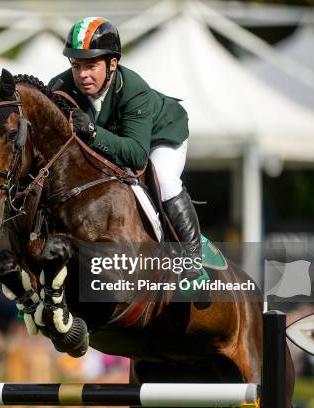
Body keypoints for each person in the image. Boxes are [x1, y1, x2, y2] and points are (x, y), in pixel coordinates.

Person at [48, 17, 203, 283]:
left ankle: (192, 260)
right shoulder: (60, 89)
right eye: (76, 65)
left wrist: (94, 133)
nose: (83, 74)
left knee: (164, 179)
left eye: (91, 65)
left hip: (159, 136)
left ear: (112, 64)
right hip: (119, 139)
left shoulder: (134, 89)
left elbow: (136, 155)